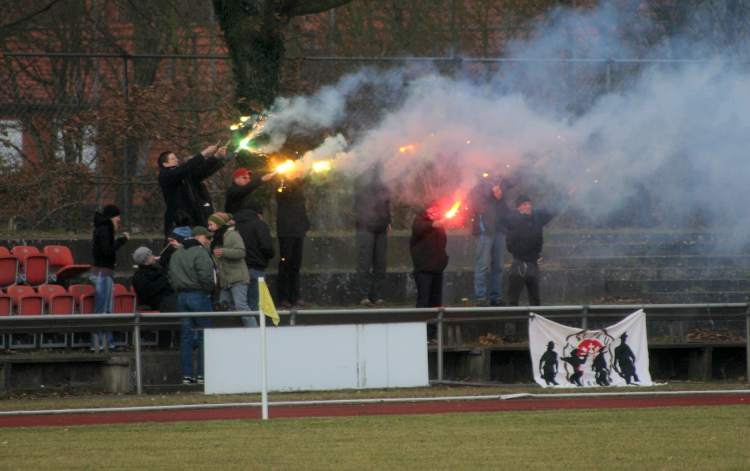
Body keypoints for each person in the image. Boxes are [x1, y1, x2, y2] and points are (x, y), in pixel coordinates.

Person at [168, 226, 216, 384]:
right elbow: (206, 275)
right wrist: (208, 290)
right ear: (197, 238)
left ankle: (187, 375)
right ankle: (203, 374)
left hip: (182, 296)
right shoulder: (200, 252)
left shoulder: (176, 254)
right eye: (206, 238)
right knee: (204, 336)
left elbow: (171, 276)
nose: (208, 240)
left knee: (186, 337)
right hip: (199, 295)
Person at [158, 144, 228, 237]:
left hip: (195, 217)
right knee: (180, 246)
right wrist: (205, 153)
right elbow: (185, 168)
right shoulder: (166, 175)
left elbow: (202, 171)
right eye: (173, 159)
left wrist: (216, 157)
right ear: (165, 164)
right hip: (180, 221)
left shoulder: (184, 175)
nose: (177, 160)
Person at [505, 194, 557, 306]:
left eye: (529, 204)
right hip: (519, 264)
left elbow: (552, 211)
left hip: (533, 264)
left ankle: (535, 321)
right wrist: (522, 253)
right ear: (518, 207)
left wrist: (565, 196)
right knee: (513, 299)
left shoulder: (537, 218)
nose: (528, 206)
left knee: (535, 299)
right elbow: (509, 245)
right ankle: (511, 322)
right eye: (524, 204)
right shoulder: (513, 221)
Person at [90, 204, 129, 352]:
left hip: (104, 272)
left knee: (106, 309)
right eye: (118, 216)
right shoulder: (106, 229)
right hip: (103, 272)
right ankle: (99, 342)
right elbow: (107, 251)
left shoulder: (102, 229)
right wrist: (122, 241)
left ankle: (106, 341)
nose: (119, 219)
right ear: (112, 217)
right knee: (102, 310)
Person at [469, 175, 511, 306]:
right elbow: (478, 206)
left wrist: (500, 198)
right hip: (485, 232)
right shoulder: (478, 189)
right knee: (482, 265)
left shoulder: (502, 187)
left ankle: (495, 297)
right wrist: (493, 196)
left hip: (500, 231)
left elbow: (505, 211)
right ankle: (480, 298)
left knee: (498, 266)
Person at [354, 163, 391, 306]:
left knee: (380, 264)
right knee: (365, 262)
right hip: (366, 226)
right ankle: (364, 295)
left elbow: (386, 202)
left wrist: (388, 221)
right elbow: (360, 204)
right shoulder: (362, 181)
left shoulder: (383, 184)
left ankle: (377, 295)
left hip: (380, 226)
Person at [207, 212, 253, 326]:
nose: (209, 227)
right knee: (223, 307)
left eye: (211, 224)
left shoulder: (232, 235)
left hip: (238, 278)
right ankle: (230, 331)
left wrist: (224, 252)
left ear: (218, 224)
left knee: (240, 305)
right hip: (225, 280)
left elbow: (241, 252)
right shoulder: (215, 238)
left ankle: (255, 330)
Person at [233, 201, 274, 316]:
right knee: (255, 304)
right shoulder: (259, 224)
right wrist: (269, 255)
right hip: (256, 268)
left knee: (240, 305)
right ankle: (255, 330)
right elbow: (267, 247)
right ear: (259, 213)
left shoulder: (234, 225)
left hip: (237, 270)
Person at [275, 177, 310, 308]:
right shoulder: (282, 187)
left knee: (296, 265)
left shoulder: (299, 190)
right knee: (285, 264)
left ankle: (295, 297)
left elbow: (302, 208)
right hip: (286, 232)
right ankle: (283, 297)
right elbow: (280, 192)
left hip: (298, 231)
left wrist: (305, 224)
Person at [410, 202, 449, 308]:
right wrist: (432, 225)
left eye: (437, 210)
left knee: (436, 303)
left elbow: (443, 243)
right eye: (433, 210)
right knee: (423, 301)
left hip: (437, 269)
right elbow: (418, 228)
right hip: (424, 270)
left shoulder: (440, 226)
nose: (436, 213)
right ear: (427, 210)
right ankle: (421, 324)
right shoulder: (419, 221)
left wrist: (444, 260)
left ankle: (434, 325)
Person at [131, 246, 176, 312]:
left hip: (166, 300)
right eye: (151, 255)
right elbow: (149, 291)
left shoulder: (156, 270)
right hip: (157, 303)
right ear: (146, 260)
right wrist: (164, 278)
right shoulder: (139, 275)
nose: (153, 256)